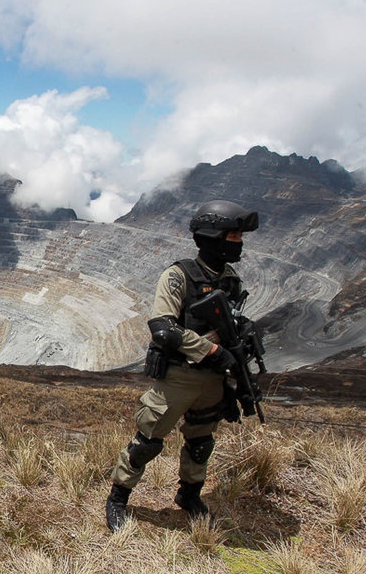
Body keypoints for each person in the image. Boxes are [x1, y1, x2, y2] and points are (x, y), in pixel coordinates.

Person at [105, 199, 260, 532]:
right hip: (180, 377)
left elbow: (232, 324)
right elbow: (162, 327)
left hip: (213, 382)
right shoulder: (179, 276)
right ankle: (118, 498)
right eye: (232, 237)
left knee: (201, 441)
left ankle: (190, 495)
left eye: (239, 237)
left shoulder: (231, 280)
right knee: (147, 441)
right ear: (212, 236)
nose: (238, 244)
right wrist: (211, 350)